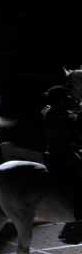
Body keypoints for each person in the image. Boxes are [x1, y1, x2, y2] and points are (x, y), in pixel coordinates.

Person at [41, 70, 82, 220]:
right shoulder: (62, 111)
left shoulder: (55, 109)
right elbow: (73, 129)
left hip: (58, 150)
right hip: (62, 152)